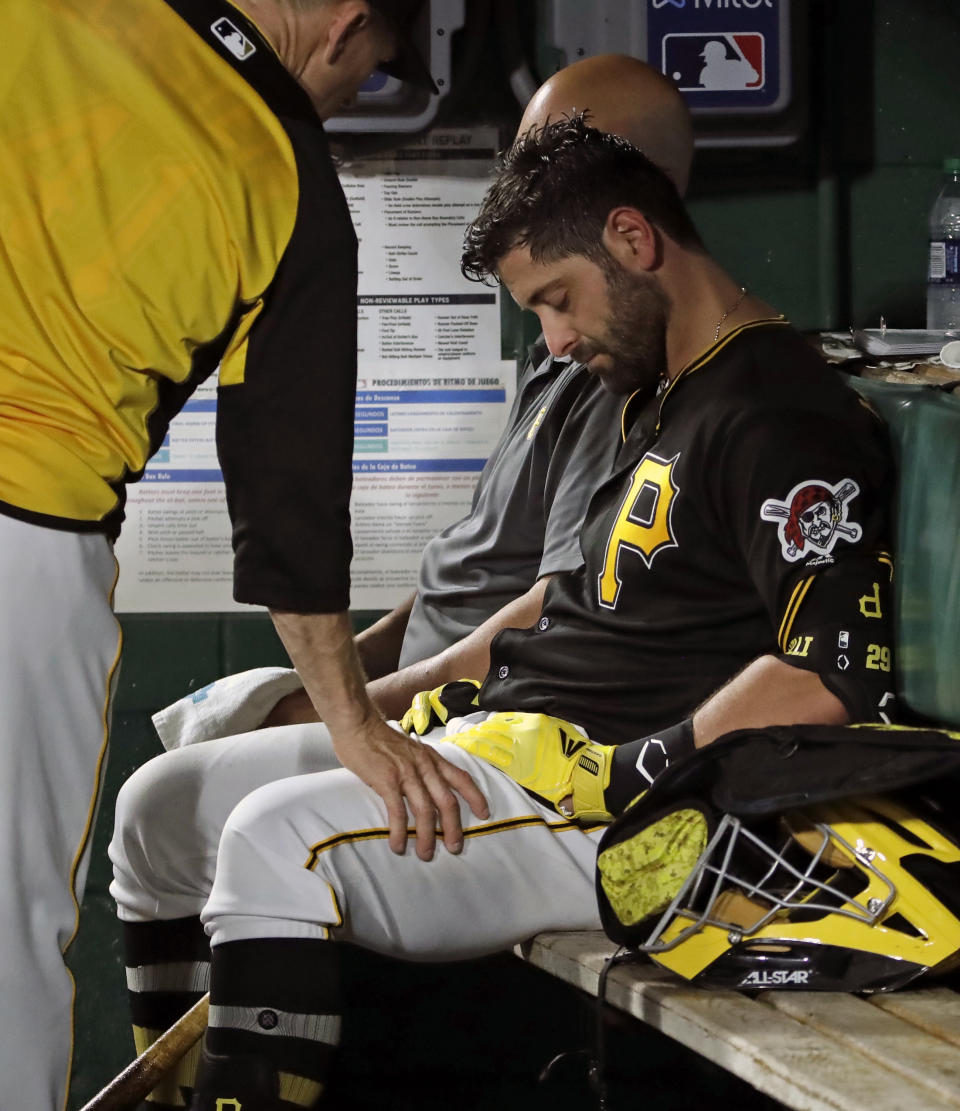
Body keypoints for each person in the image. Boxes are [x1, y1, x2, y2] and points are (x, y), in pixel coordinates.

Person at [110, 115, 897, 1109]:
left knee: (279, 839)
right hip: (516, 743)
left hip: (626, 812)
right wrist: (425, 691)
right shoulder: (658, 392)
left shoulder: (786, 413)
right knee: (158, 810)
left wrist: (640, 765)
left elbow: (828, 673)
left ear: (633, 237)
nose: (555, 339)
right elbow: (576, 590)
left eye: (557, 302)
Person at [0, 1, 441, 1106]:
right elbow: (288, 500)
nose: (349, 98)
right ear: (343, 25)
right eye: (372, 71)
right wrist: (351, 720)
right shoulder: (286, 172)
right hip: (23, 532)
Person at [260, 52, 695, 727]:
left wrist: (356, 716)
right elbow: (468, 569)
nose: (525, 190)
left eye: (551, 169)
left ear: (636, 208)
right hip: (411, 688)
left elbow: (554, 611)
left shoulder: (617, 372)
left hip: (468, 720)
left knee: (165, 796)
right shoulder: (559, 355)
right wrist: (343, 677)